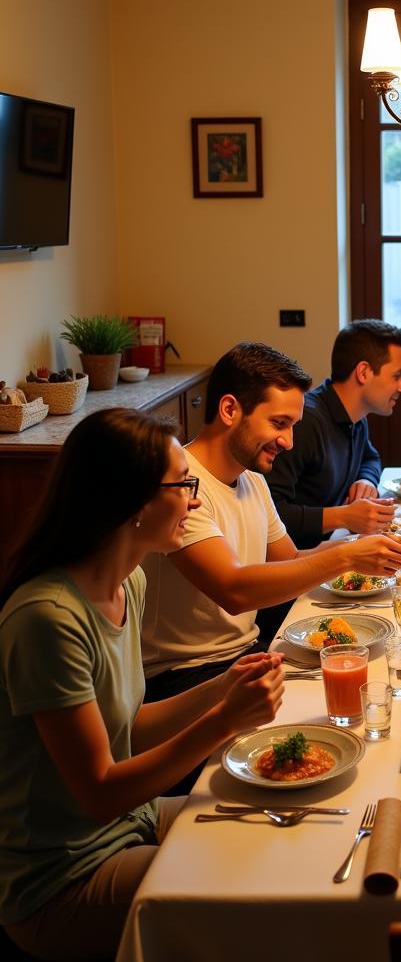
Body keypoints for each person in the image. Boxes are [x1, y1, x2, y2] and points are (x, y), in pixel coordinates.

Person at [0, 409, 284, 961]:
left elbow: (129, 725)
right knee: (250, 886)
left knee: (273, 821)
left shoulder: (127, 582)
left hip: (133, 822)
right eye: (184, 485)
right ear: (131, 502)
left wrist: (224, 686)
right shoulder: (48, 618)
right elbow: (101, 792)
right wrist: (223, 721)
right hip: (63, 876)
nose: (197, 501)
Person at [142, 342, 401, 703]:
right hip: (183, 678)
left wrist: (364, 548)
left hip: (244, 656)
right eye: (279, 423)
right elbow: (233, 590)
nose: (288, 441)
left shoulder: (251, 479)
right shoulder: (181, 485)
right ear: (229, 409)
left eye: (293, 426)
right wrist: (347, 557)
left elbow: (288, 563)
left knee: (377, 681)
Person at [268, 319, 401, 550]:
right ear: (363, 372)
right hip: (289, 564)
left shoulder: (356, 416)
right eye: (397, 375)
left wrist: (366, 480)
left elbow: (370, 457)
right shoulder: (306, 423)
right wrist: (343, 517)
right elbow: (268, 512)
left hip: (324, 548)